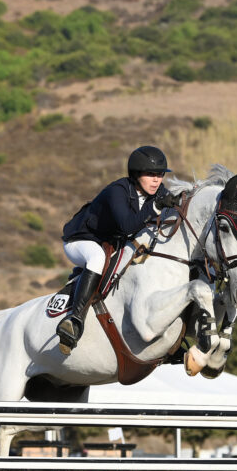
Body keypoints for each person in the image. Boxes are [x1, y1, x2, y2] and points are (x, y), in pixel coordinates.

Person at [56, 145, 183, 354]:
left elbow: (171, 207)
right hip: (83, 241)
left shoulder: (157, 190)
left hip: (112, 243)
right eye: (150, 174)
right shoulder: (117, 191)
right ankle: (74, 320)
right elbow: (127, 226)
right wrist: (156, 208)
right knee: (96, 258)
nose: (156, 180)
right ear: (136, 174)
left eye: (160, 175)